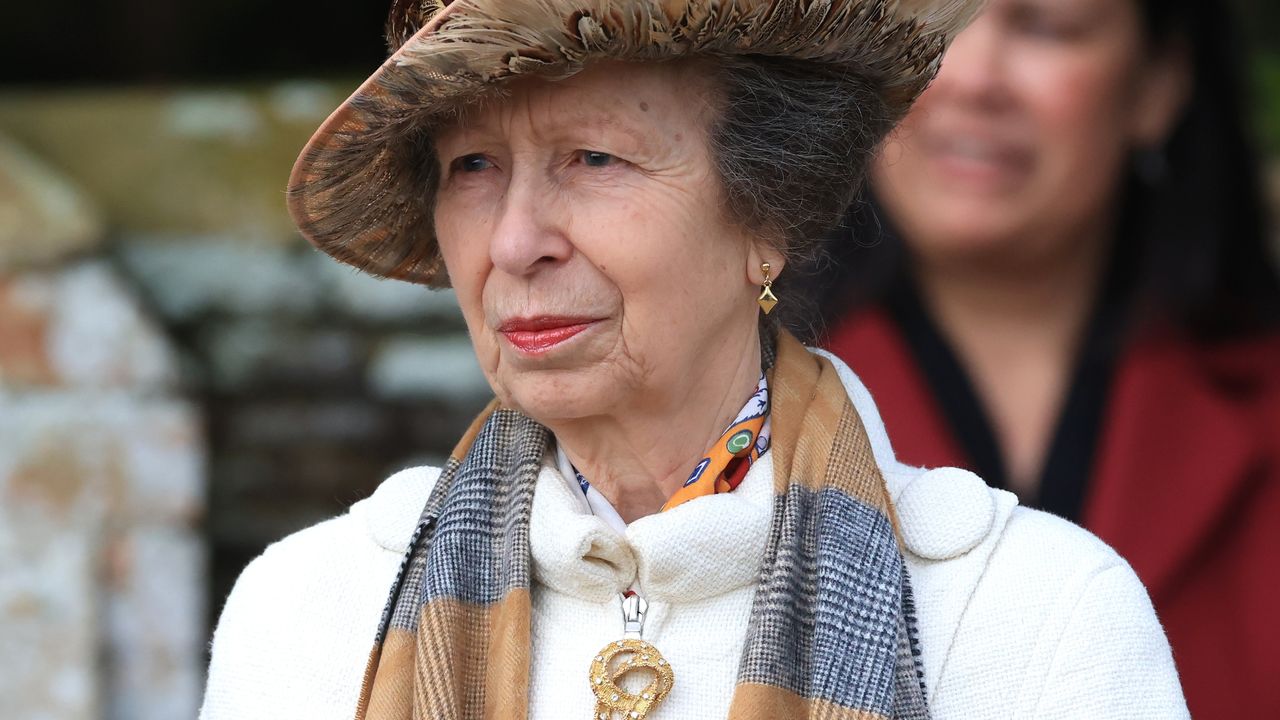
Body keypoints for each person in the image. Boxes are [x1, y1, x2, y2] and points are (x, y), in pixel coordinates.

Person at [200, 0, 1188, 718]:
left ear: (767, 212)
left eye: (594, 158)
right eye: (472, 167)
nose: (513, 242)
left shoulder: (1029, 616)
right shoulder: (313, 611)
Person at [813, 0, 1280, 717]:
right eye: (932, 21)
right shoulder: (728, 417)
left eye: (1046, 27)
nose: (969, 76)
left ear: (1159, 83)